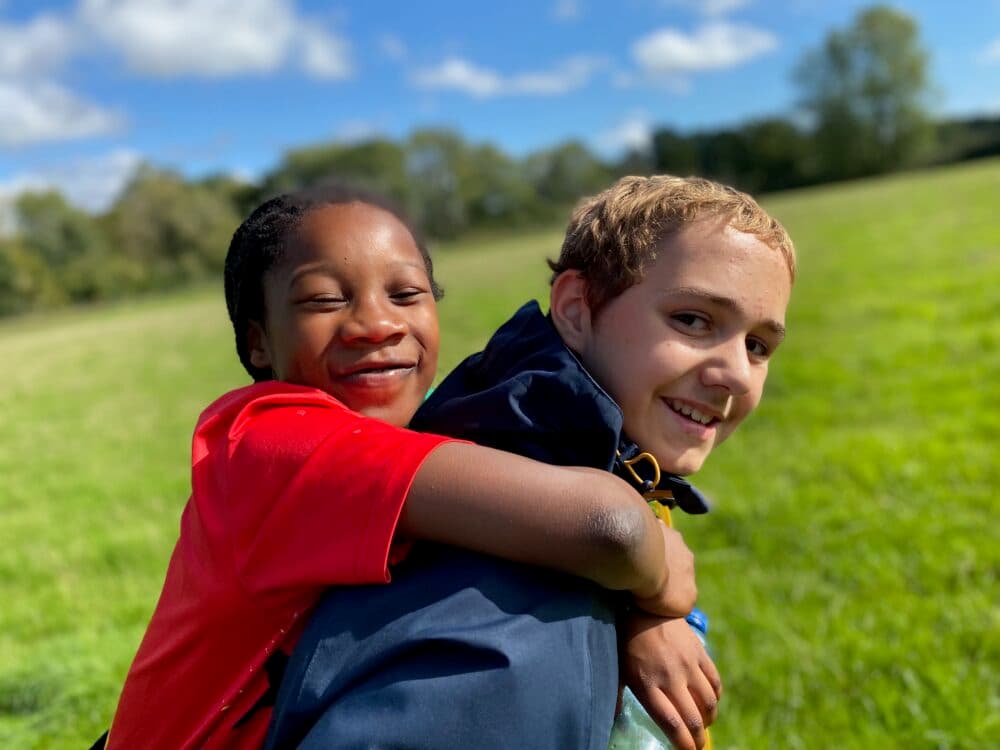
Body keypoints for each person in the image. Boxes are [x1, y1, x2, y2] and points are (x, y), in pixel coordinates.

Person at [101, 184, 696, 750]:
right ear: (258, 343)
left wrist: (636, 616)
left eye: (406, 295)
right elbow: (605, 528)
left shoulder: (414, 441)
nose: (378, 324)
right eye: (324, 300)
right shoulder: (269, 439)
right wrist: (659, 591)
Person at [264, 175, 795, 750]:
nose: (737, 374)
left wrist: (639, 603)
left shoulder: (600, 478)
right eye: (692, 320)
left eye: (758, 346)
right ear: (575, 307)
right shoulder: (511, 606)